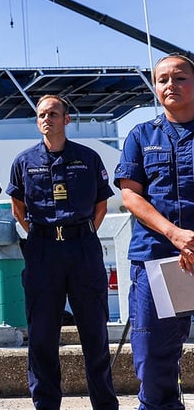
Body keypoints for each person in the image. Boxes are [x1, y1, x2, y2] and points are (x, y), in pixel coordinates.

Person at [7, 95, 118, 410]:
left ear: (66, 119)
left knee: (94, 332)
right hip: (42, 250)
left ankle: (105, 404)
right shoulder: (23, 161)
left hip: (82, 248)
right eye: (42, 114)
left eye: (53, 113)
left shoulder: (89, 157)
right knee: (41, 335)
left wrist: (79, 234)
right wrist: (42, 235)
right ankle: (45, 403)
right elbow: (18, 208)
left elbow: (100, 204)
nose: (47, 119)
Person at [115, 53, 194, 410]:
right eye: (162, 80)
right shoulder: (141, 135)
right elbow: (131, 195)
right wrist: (176, 234)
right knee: (155, 359)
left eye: (179, 78)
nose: (170, 85)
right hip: (162, 261)